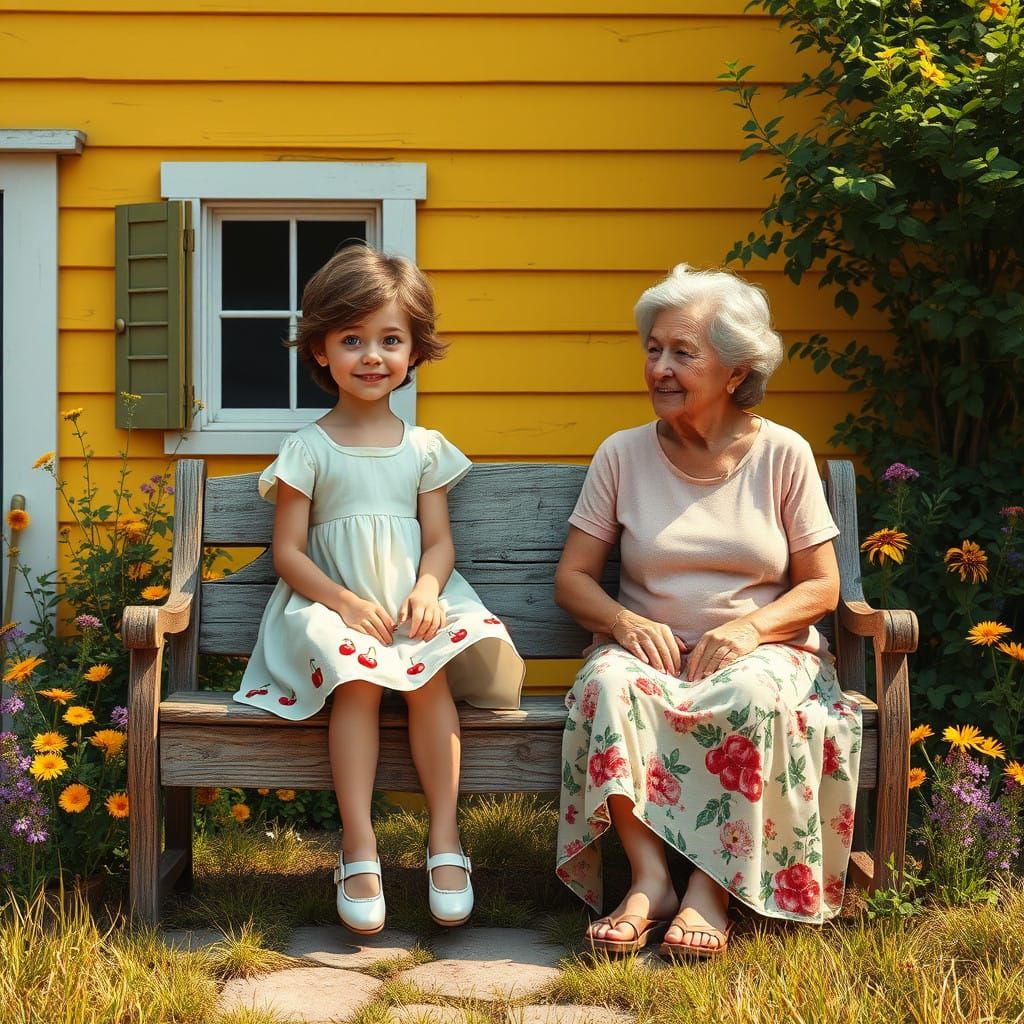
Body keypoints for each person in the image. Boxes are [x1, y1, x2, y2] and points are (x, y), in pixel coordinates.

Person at [553, 263, 861, 960]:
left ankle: (712, 892)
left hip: (761, 653)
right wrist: (623, 622)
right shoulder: (622, 455)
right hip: (648, 653)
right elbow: (572, 580)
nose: (659, 367)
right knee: (605, 684)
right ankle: (651, 880)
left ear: (735, 369)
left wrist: (751, 628)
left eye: (682, 353)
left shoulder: (782, 454)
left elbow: (822, 587)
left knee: (751, 693)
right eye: (653, 349)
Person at [234, 245, 524, 935]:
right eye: (352, 340)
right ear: (321, 350)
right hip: (334, 605)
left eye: (390, 340)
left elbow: (439, 541)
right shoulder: (308, 448)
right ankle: (359, 845)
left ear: (414, 349)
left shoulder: (423, 447)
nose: (372, 356)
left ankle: (445, 839)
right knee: (358, 682)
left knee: (429, 677)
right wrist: (343, 602)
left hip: (410, 604)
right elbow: (288, 553)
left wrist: (428, 588)